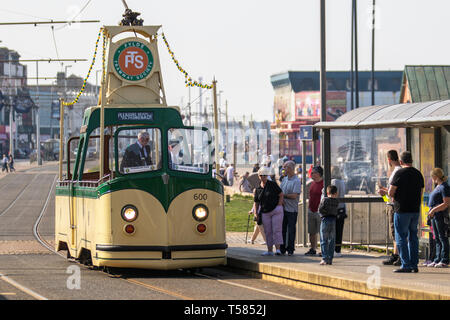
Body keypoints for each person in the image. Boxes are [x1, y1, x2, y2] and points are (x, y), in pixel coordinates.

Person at [388, 151, 424, 273]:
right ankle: (414, 264)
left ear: (401, 162)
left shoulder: (399, 173)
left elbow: (391, 192)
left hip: (401, 210)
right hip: (414, 210)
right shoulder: (418, 174)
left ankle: (406, 264)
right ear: (411, 161)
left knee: (401, 237)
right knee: (413, 236)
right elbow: (420, 192)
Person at [252, 166, 284, 256]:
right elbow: (256, 202)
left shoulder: (272, 184)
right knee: (268, 231)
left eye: (265, 175)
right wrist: (255, 213)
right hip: (265, 212)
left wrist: (279, 205)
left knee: (276, 229)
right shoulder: (258, 189)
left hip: (276, 210)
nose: (263, 177)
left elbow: (281, 194)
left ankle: (278, 249)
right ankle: (269, 250)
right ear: (259, 176)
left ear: (267, 176)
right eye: (261, 175)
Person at [378, 150, 402, 266]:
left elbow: (393, 192)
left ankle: (397, 255)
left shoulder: (396, 172)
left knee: (395, 232)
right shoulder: (400, 170)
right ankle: (396, 254)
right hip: (395, 204)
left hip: (393, 206)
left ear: (389, 159)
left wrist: (383, 192)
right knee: (397, 232)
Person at [426, 168, 450, 268]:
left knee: (442, 237)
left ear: (435, 177)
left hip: (440, 216)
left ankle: (444, 259)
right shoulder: (438, 186)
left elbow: (446, 203)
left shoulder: (444, 187)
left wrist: (433, 210)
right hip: (435, 216)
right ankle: (437, 259)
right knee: (437, 238)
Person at [280, 160, 301, 256]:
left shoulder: (296, 181)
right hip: (283, 209)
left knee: (291, 229)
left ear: (291, 169)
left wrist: (284, 196)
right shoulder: (284, 179)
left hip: (292, 210)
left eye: (285, 167)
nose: (284, 169)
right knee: (282, 229)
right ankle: (282, 247)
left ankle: (291, 249)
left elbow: (294, 195)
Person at [305, 165, 324, 256]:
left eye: (313, 172)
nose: (311, 174)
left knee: (321, 231)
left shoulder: (324, 183)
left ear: (318, 174)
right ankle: (313, 248)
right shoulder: (312, 183)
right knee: (311, 231)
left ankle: (322, 249)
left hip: (319, 211)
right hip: (311, 210)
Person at [318, 185, 339, 265]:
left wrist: (323, 215)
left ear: (327, 192)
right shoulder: (336, 201)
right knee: (331, 240)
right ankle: (330, 258)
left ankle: (324, 258)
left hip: (325, 220)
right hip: (333, 220)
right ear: (336, 193)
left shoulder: (325, 200)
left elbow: (320, 209)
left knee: (324, 240)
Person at [331, 166, 346, 257]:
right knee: (339, 230)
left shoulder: (334, 182)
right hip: (342, 208)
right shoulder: (342, 182)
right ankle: (338, 250)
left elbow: (334, 194)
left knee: (333, 230)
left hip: (335, 208)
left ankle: (334, 249)